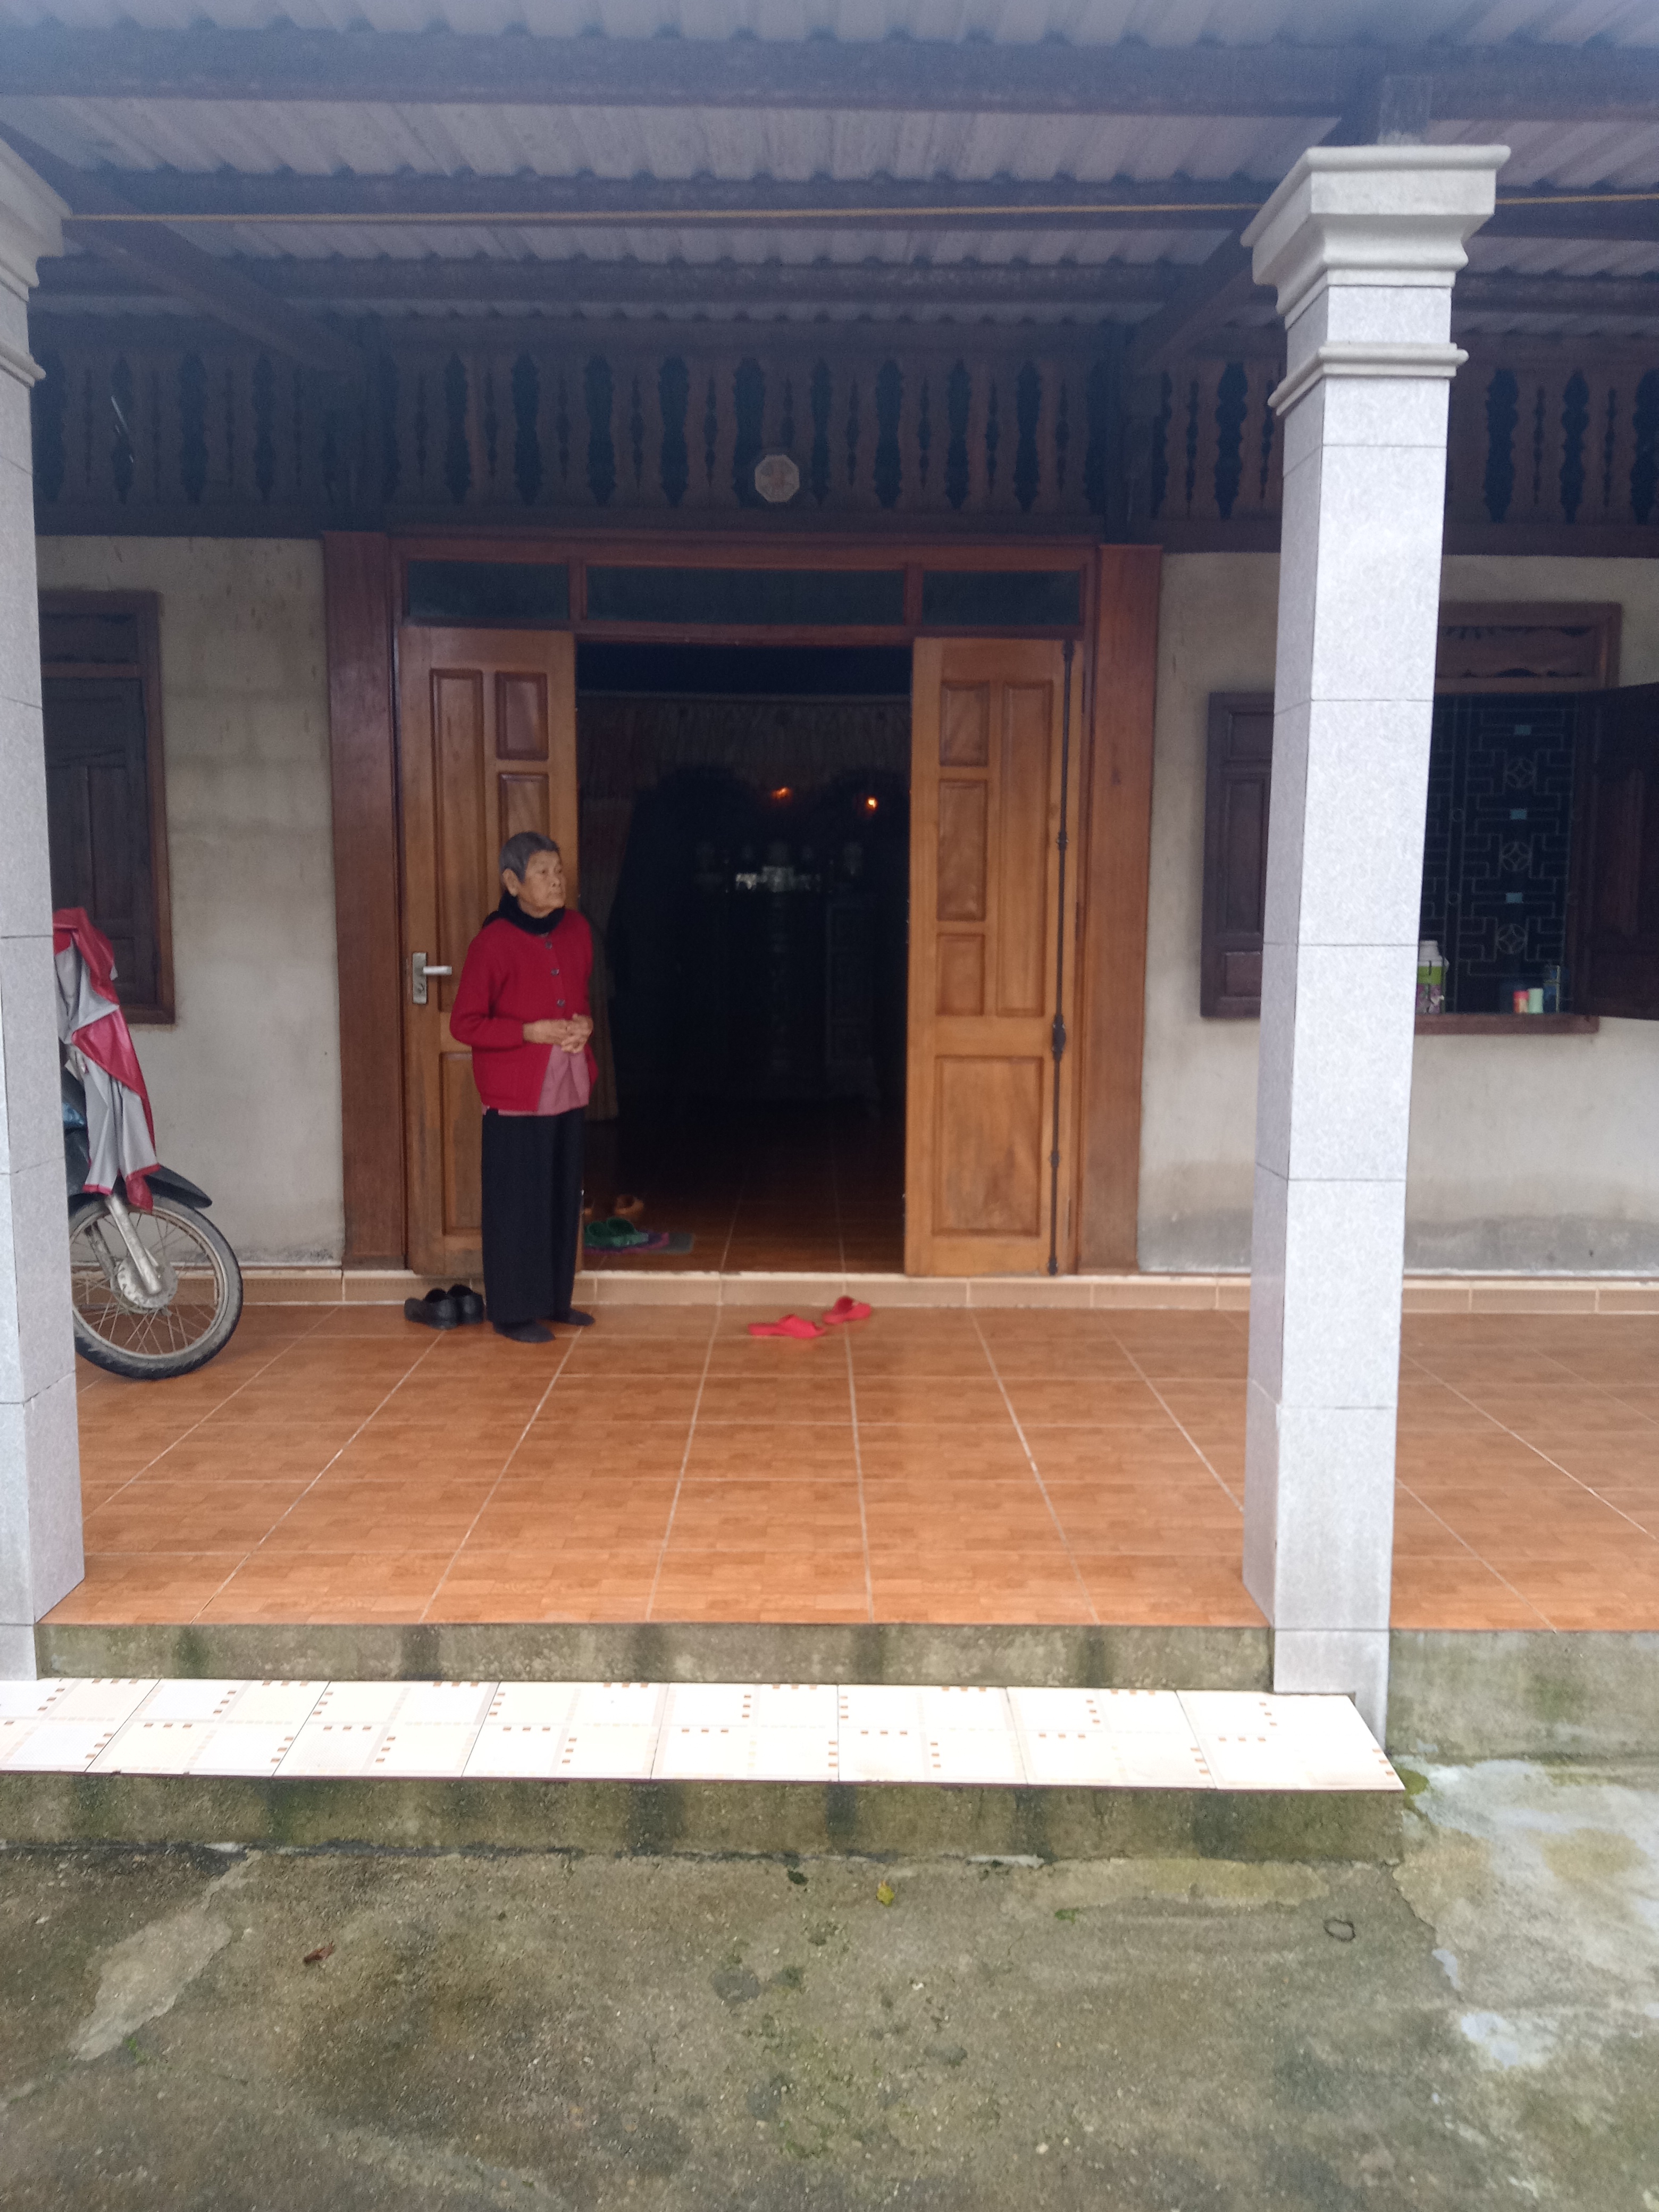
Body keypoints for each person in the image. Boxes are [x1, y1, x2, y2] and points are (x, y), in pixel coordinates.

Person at [450, 832, 596, 1345]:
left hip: (568, 1080)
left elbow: (580, 997)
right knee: (518, 1202)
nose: (557, 881)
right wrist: (529, 1032)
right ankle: (512, 1312)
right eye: (542, 872)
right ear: (512, 883)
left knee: (561, 1192)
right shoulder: (492, 943)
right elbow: (465, 1024)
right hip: (517, 1091)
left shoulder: (577, 929)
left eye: (559, 870)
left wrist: (584, 1025)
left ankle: (556, 1301)